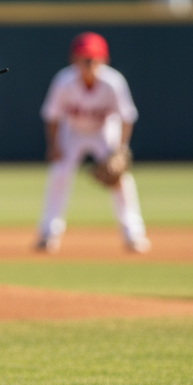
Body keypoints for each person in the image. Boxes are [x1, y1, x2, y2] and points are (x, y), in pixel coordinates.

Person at [34, 31, 149, 255]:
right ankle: (49, 233)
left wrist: (121, 149)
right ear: (74, 59)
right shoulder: (63, 81)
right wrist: (54, 145)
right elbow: (52, 116)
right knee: (59, 173)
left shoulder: (113, 82)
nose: (89, 63)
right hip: (73, 132)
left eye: (93, 58)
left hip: (103, 131)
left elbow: (126, 117)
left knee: (120, 179)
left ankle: (133, 234)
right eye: (84, 58)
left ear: (103, 60)